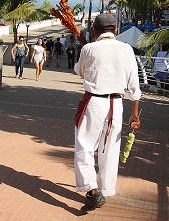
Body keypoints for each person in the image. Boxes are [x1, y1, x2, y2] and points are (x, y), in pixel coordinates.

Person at [73, 14, 141, 212]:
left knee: (85, 146)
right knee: (110, 148)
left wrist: (85, 48)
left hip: (94, 101)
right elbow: (134, 84)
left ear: (94, 31)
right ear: (116, 31)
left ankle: (93, 190)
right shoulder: (126, 49)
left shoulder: (89, 48)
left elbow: (80, 71)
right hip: (116, 104)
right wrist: (134, 113)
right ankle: (105, 188)